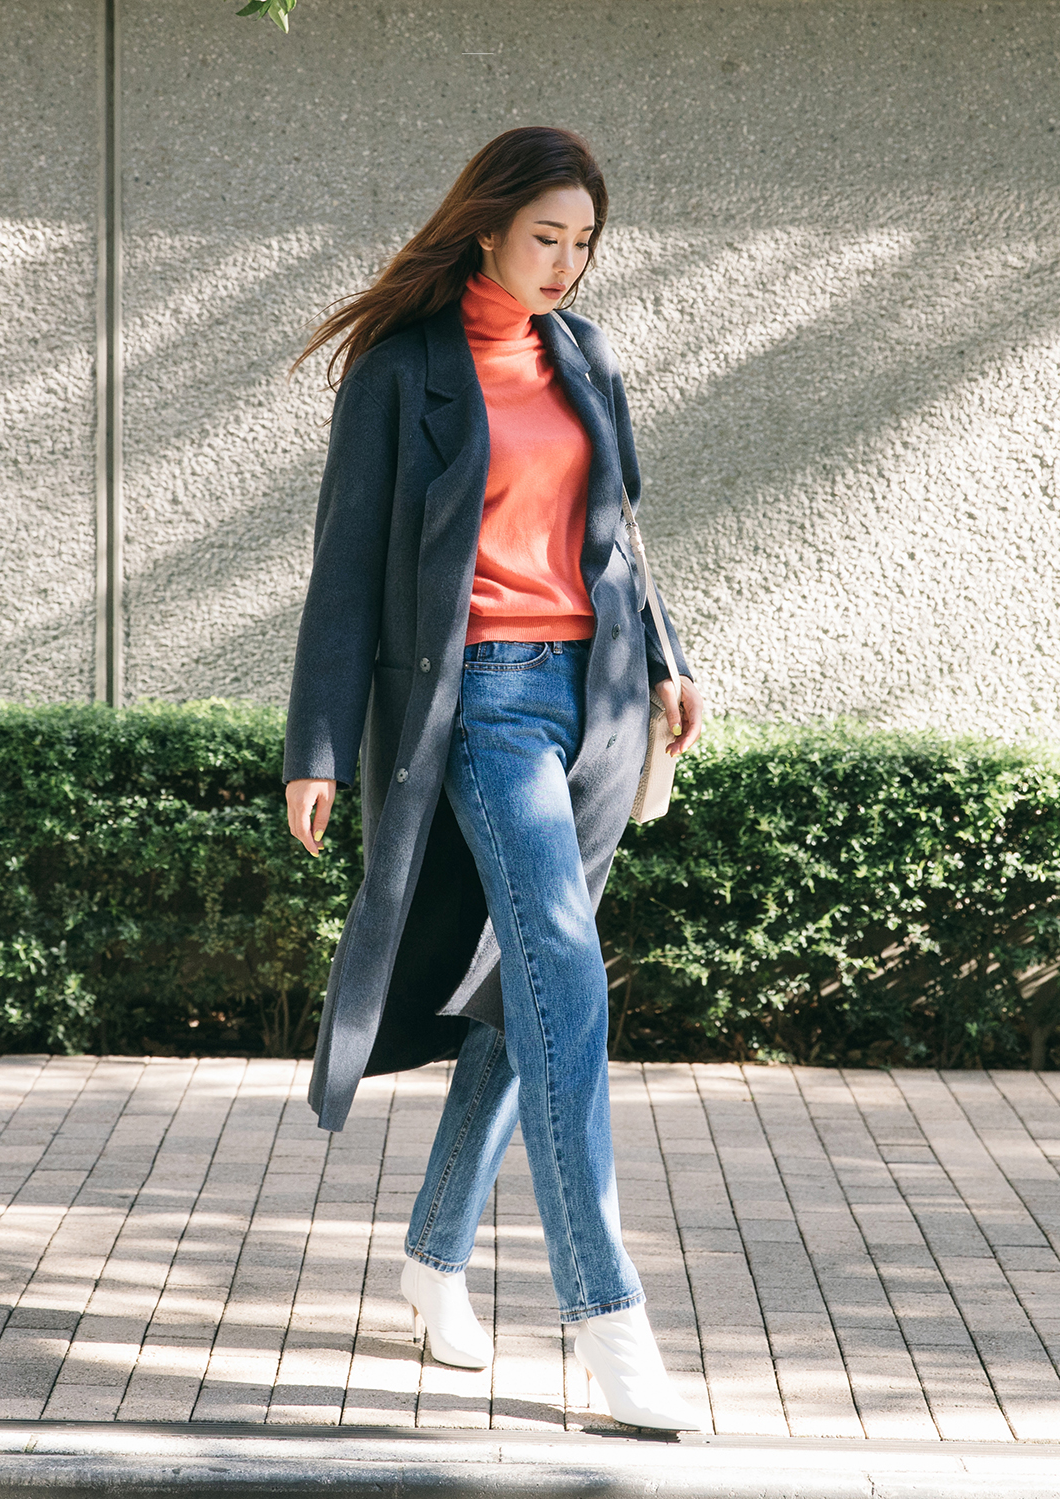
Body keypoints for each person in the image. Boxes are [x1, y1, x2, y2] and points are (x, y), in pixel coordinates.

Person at [283, 126, 704, 1431]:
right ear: (488, 229)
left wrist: (670, 660)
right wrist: (315, 745)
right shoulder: (401, 371)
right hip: (484, 704)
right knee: (566, 977)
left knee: (529, 999)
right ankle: (607, 1318)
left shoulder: (586, 356)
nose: (566, 264)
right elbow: (346, 568)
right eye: (546, 238)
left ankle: (434, 1256)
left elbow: (614, 533)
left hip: (603, 704)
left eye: (584, 243)